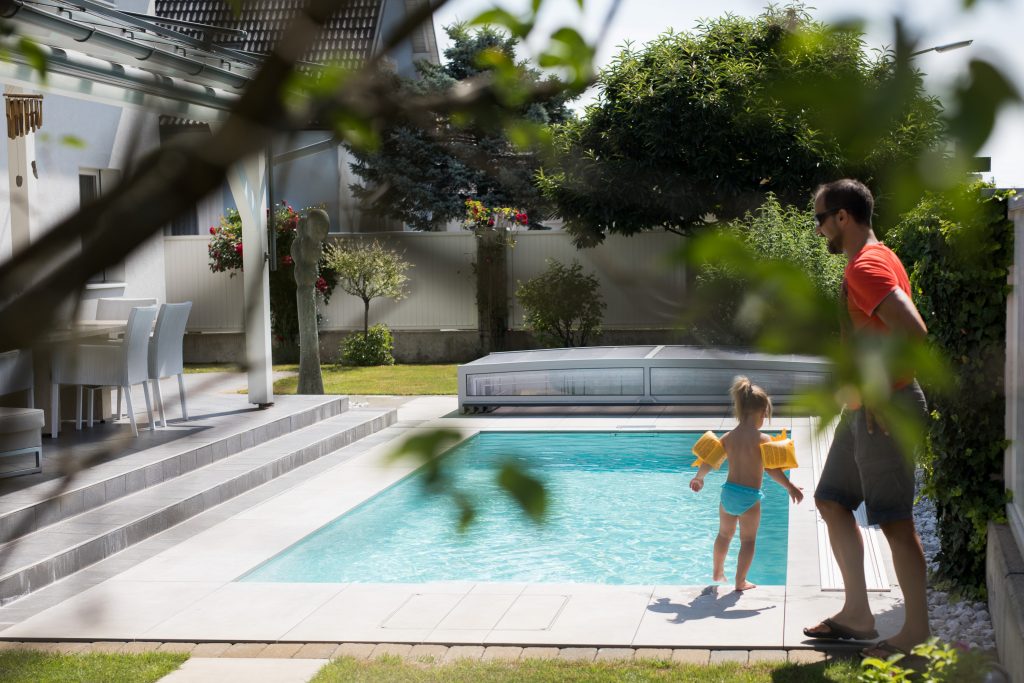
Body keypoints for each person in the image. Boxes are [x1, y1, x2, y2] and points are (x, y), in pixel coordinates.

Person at [802, 179, 931, 660]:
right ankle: (857, 614)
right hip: (862, 409)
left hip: (886, 409)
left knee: (895, 521)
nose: (818, 231)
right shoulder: (880, 258)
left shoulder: (867, 264)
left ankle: (916, 634)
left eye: (820, 219)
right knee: (832, 500)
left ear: (842, 217)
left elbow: (913, 330)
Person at [690, 376, 804, 592]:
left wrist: (699, 478)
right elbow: (772, 470)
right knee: (748, 541)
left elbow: (710, 461)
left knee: (724, 535)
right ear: (761, 414)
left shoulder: (728, 438)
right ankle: (740, 581)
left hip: (728, 494)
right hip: (749, 498)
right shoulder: (763, 440)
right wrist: (790, 487)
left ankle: (717, 571)